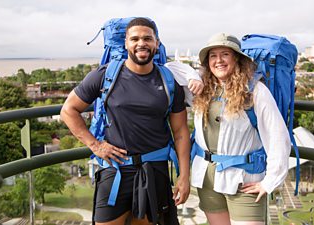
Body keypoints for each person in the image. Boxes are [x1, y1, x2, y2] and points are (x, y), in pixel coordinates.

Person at [61, 17, 200, 225]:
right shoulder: (105, 75)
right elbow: (68, 110)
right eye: (134, 38)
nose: (141, 43)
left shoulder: (169, 81)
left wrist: (183, 177)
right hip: (115, 170)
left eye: (147, 38)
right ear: (126, 43)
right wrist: (95, 145)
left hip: (154, 170)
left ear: (157, 43)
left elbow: (180, 133)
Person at [190, 33, 291, 225]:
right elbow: (170, 69)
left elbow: (277, 135)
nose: (218, 60)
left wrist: (270, 181)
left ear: (237, 58)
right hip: (208, 179)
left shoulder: (255, 91)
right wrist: (191, 76)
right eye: (213, 55)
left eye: (225, 54)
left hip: (244, 179)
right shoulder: (203, 90)